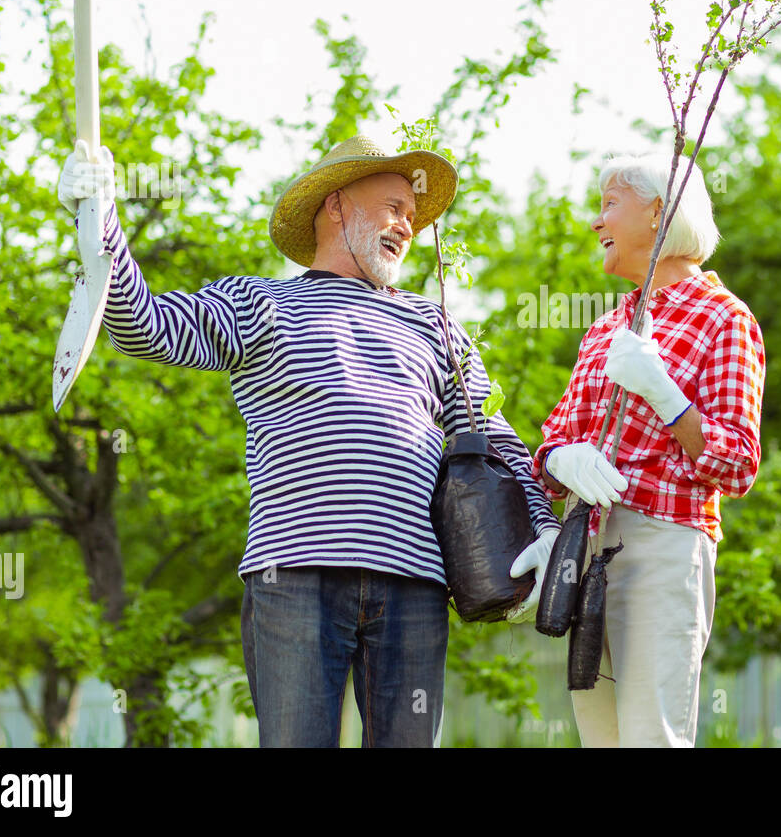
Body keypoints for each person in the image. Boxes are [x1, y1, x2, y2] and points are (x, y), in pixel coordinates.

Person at [56, 133, 560, 747]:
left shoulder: (434, 323)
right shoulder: (260, 302)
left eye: (413, 214)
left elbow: (493, 439)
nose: (408, 225)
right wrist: (101, 220)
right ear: (337, 206)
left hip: (415, 582)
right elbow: (145, 328)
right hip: (293, 576)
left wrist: (544, 527)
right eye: (394, 207)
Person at [533, 153, 766, 747]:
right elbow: (556, 434)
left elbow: (737, 462)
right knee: (602, 740)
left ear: (660, 212)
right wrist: (561, 459)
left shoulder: (724, 317)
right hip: (587, 551)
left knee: (650, 738)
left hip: (663, 546)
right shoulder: (605, 327)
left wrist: (666, 396)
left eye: (609, 204)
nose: (596, 222)